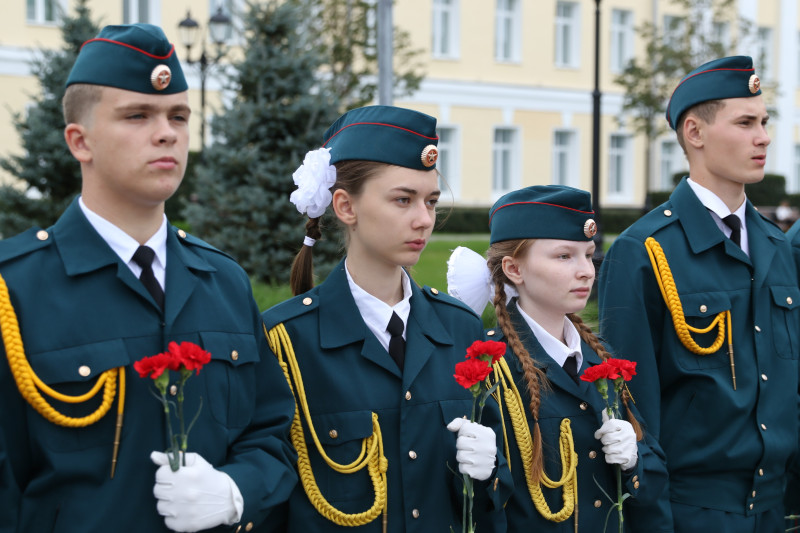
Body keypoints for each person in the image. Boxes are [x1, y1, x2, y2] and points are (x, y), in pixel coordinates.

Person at [0, 24, 297, 532]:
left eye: (178, 116)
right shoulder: (17, 289)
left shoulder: (222, 281)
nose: (167, 133)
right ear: (80, 142)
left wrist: (234, 492)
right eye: (137, 115)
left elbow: (271, 433)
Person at [261, 105, 511, 532]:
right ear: (346, 206)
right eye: (402, 200)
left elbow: (489, 508)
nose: (424, 220)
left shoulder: (460, 329)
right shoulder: (286, 341)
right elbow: (271, 498)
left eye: (431, 201)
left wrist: (491, 473)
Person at [598, 55, 800, 533]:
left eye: (764, 122)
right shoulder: (644, 251)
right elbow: (631, 407)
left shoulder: (775, 246)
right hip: (691, 512)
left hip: (773, 509)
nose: (764, 137)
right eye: (745, 123)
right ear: (695, 132)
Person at [447, 185, 668, 532]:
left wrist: (634, 462)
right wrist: (484, 476)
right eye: (564, 256)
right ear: (514, 269)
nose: (586, 271)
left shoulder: (600, 359)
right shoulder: (489, 371)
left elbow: (653, 490)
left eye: (588, 254)